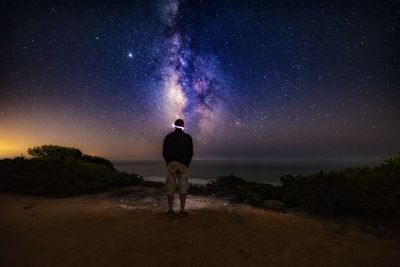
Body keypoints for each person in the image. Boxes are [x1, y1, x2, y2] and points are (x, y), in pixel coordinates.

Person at [162, 119, 193, 217]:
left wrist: (168, 162)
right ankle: (182, 211)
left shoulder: (168, 137)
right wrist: (187, 163)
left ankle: (170, 210)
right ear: (183, 125)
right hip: (183, 164)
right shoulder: (188, 137)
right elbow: (191, 152)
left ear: (174, 126)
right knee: (183, 186)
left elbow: (164, 152)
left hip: (172, 164)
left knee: (171, 186)